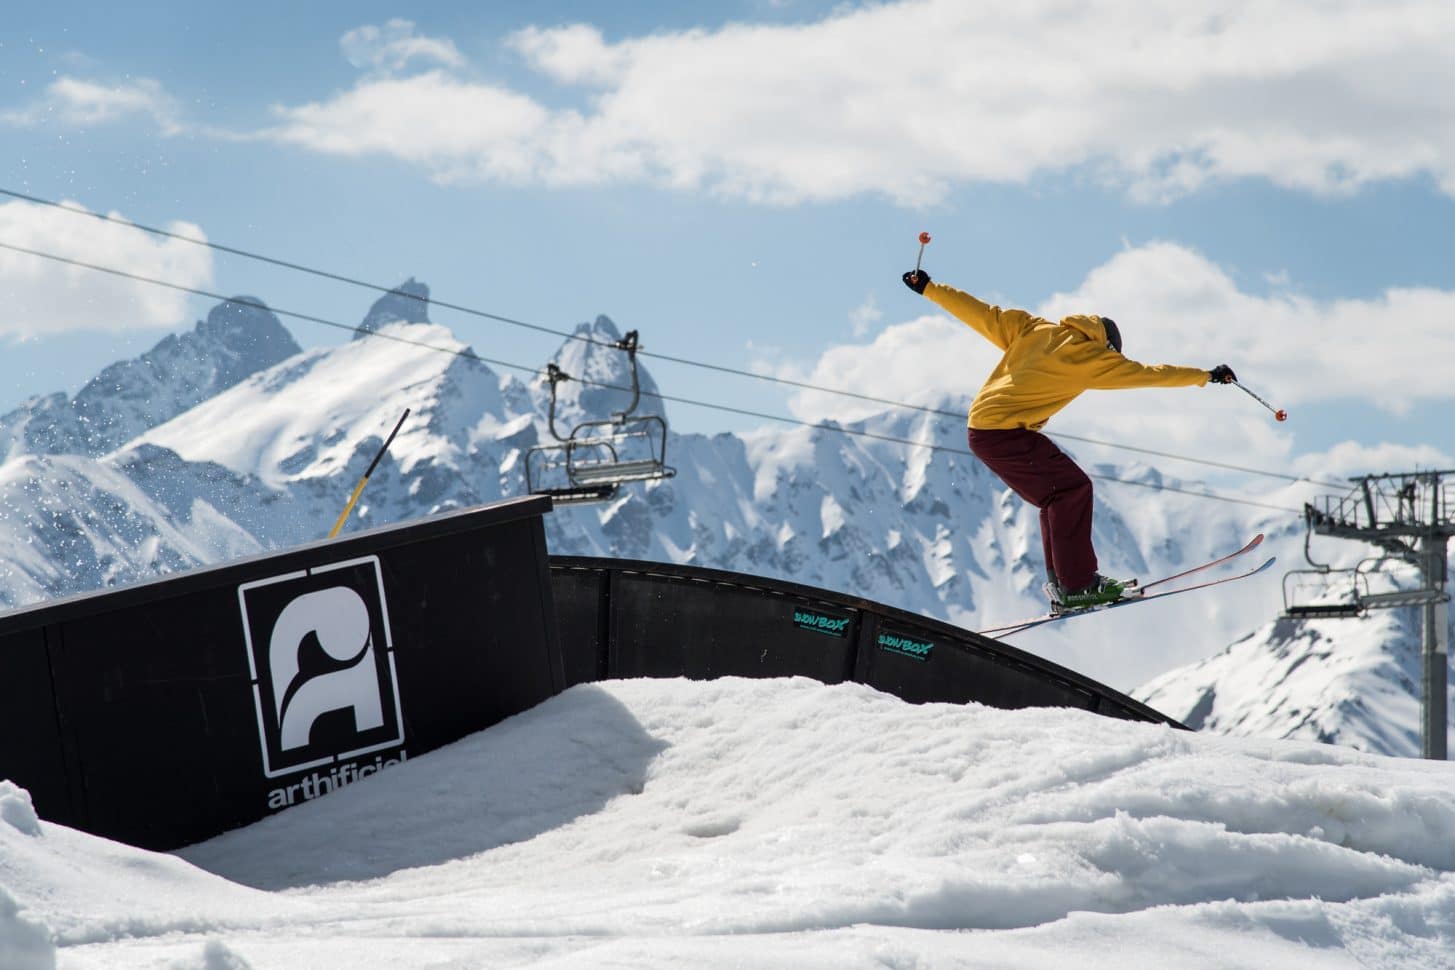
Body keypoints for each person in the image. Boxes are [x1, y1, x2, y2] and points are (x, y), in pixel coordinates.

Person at [902, 268, 1237, 611]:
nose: (1114, 362)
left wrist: (929, 288)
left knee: (1056, 496)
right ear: (1106, 346)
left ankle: (1065, 584)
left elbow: (983, 314)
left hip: (984, 428)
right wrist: (1206, 376)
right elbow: (1151, 374)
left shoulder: (1037, 329)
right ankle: (1077, 585)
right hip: (1003, 433)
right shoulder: (1093, 359)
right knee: (1073, 490)